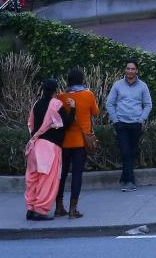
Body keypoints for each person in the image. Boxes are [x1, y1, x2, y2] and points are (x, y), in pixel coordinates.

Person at [25, 79, 74, 221]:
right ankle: (40, 210)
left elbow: (31, 124)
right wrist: (73, 109)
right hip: (49, 147)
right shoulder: (56, 104)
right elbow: (66, 123)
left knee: (32, 178)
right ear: (55, 91)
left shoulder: (36, 104)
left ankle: (30, 209)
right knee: (47, 179)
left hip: (34, 145)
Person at [56, 68, 100, 218]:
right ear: (82, 79)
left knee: (61, 175)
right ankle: (73, 208)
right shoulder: (88, 94)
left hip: (64, 143)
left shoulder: (61, 96)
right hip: (81, 142)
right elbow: (96, 112)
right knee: (77, 175)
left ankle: (59, 206)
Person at [106, 61, 152, 191]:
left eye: (133, 69)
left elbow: (148, 104)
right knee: (125, 151)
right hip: (121, 124)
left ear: (136, 71)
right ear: (125, 70)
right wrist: (115, 120)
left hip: (136, 124)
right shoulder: (117, 85)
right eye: (128, 68)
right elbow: (109, 103)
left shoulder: (143, 86)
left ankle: (124, 178)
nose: (130, 71)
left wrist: (141, 119)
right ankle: (130, 182)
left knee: (131, 152)